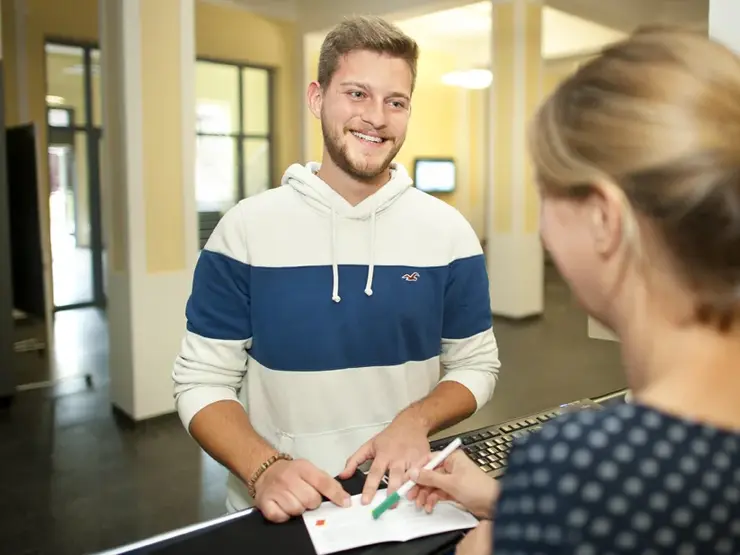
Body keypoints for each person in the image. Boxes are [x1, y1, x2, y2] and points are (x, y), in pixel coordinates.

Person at [406, 26, 740, 554]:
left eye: (546, 193)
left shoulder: (579, 470)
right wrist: (515, 503)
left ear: (605, 218)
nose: (541, 227)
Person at [172, 15, 501, 523]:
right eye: (356, 94)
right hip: (280, 508)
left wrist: (416, 419)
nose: (376, 117)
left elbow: (476, 365)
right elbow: (201, 381)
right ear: (317, 98)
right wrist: (263, 467)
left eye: (396, 101)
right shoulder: (245, 230)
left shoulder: (449, 234)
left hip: (405, 499)